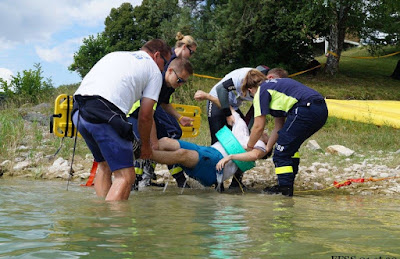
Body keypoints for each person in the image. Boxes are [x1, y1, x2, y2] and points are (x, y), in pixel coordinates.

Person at [72, 39, 171, 201]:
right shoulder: (153, 70)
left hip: (78, 111)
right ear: (157, 55)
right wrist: (146, 145)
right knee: (126, 177)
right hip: (105, 113)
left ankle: (101, 218)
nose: (163, 69)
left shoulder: (115, 55)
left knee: (105, 166)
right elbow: (145, 115)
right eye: (164, 63)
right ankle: (115, 225)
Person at [193, 66, 287, 189]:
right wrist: (227, 113)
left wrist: (249, 132)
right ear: (269, 78)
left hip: (232, 105)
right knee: (217, 141)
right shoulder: (247, 77)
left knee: (243, 137)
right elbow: (221, 89)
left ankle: (236, 182)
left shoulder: (265, 90)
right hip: (217, 97)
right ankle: (217, 182)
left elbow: (255, 114)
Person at [242, 68, 328, 196]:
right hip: (320, 109)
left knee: (281, 153)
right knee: (289, 147)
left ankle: (285, 191)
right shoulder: (276, 86)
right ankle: (287, 184)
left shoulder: (261, 92)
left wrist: (249, 146)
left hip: (305, 109)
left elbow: (258, 127)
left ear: (250, 90)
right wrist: (268, 147)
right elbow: (279, 127)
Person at [129, 32, 197, 188]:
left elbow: (165, 103)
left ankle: (180, 181)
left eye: (183, 83)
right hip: (135, 113)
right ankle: (136, 181)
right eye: (179, 81)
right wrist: (152, 141)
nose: (180, 85)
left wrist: (179, 117)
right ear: (170, 71)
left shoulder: (170, 83)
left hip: (147, 113)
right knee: (145, 143)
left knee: (166, 138)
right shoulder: (158, 80)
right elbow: (148, 115)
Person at [150, 110, 269, 189]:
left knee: (182, 154)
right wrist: (208, 96)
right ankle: (140, 148)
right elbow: (229, 108)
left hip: (215, 165)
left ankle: (144, 154)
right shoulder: (242, 129)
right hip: (207, 150)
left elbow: (254, 156)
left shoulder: (261, 145)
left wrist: (230, 156)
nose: (265, 131)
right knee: (166, 141)